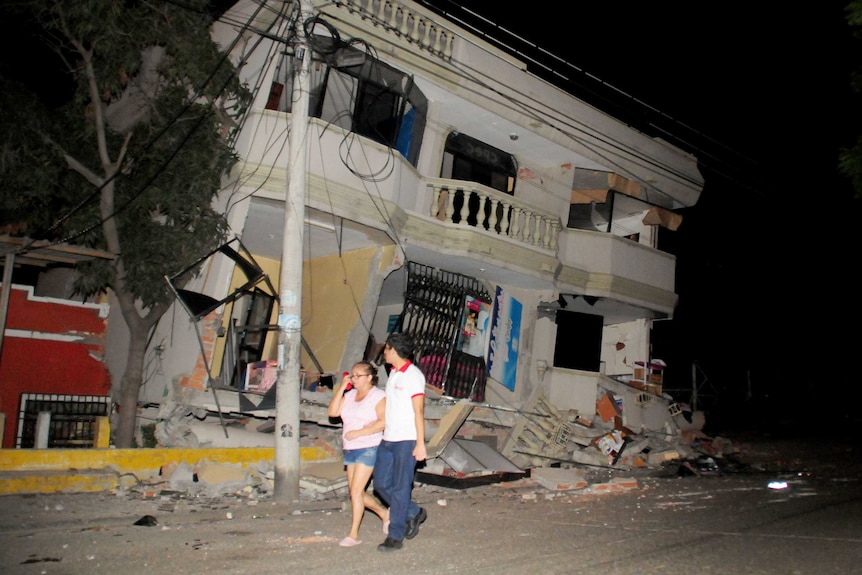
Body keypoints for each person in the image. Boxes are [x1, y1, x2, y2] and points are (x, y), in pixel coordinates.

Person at [373, 332, 428, 552]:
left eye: (386, 349)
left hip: (406, 440)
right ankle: (413, 512)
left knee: (400, 487)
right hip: (388, 438)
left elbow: (419, 410)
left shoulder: (413, 375)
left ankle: (395, 536)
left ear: (393, 350)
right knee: (380, 485)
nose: (383, 352)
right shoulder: (394, 372)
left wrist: (420, 443)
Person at [327, 361, 389, 547]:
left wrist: (360, 433)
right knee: (356, 492)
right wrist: (341, 388)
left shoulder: (378, 396)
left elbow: (384, 421)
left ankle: (353, 534)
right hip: (350, 447)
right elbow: (333, 412)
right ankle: (385, 514)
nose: (354, 379)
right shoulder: (350, 394)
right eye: (352, 375)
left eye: (358, 376)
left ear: (369, 377)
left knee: (355, 491)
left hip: (369, 446)